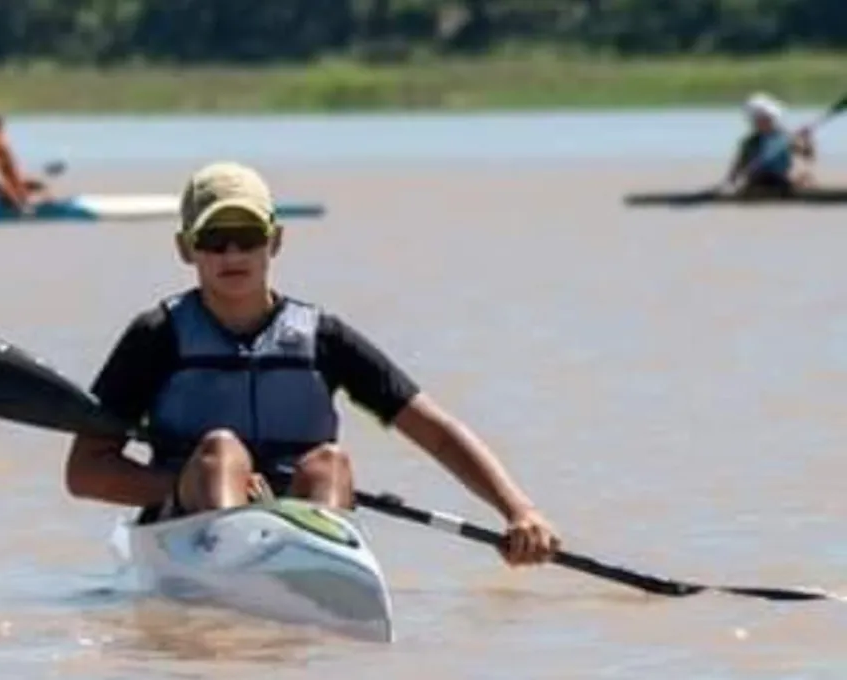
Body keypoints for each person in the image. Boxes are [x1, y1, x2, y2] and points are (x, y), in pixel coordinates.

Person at [64, 161, 561, 567]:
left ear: (275, 241)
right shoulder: (157, 337)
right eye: (215, 238)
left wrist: (520, 511)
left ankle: (318, 567)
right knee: (221, 452)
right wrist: (184, 485)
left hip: (300, 519)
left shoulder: (323, 338)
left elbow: (436, 432)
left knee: (330, 461)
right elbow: (85, 472)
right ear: (185, 248)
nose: (232, 252)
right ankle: (235, 557)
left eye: (247, 234)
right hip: (189, 524)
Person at [724, 92, 816, 194]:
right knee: (755, 179)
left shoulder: (785, 138)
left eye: (767, 119)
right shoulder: (751, 141)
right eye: (758, 120)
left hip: (781, 178)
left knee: (806, 178)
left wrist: (807, 139)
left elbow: (808, 154)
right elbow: (739, 164)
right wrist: (730, 180)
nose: (762, 123)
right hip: (758, 178)